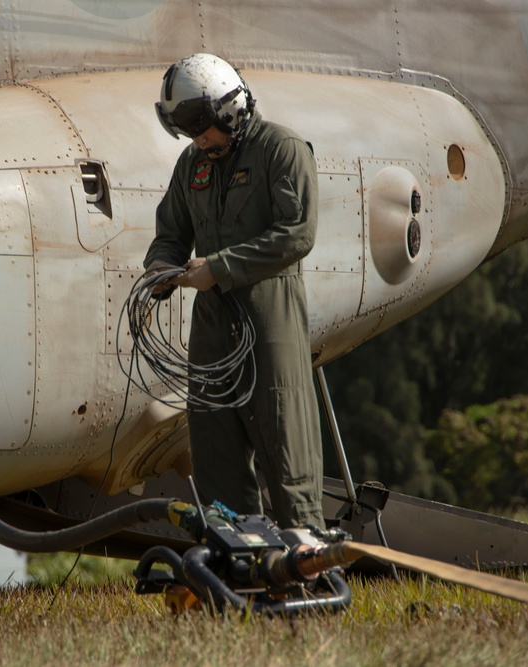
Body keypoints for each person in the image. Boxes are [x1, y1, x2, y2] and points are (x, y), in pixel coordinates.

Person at [144, 53, 324, 529]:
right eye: (191, 133)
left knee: (286, 445)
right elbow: (170, 233)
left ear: (231, 110)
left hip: (271, 319)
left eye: (205, 130)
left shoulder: (281, 149)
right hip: (211, 328)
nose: (200, 141)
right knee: (213, 446)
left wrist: (220, 267)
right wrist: (159, 269)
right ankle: (234, 561)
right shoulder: (192, 164)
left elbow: (297, 234)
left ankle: (306, 561)